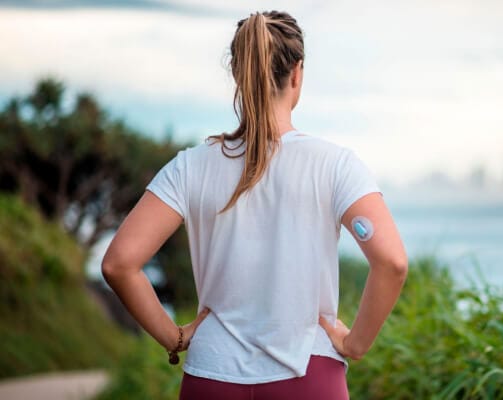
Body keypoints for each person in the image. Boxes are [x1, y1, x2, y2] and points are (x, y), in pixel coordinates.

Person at [101, 10, 407, 400]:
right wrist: (356, 344)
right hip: (309, 375)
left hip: (212, 377)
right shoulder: (335, 164)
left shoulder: (190, 166)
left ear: (237, 74)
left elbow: (119, 264)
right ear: (297, 74)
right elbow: (392, 263)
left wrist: (174, 337)